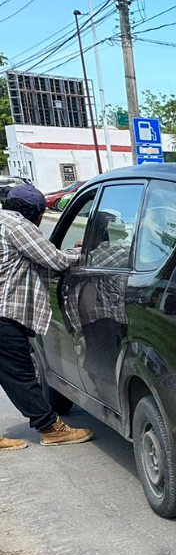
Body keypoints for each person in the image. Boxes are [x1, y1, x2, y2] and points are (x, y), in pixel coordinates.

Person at [0, 184, 93, 451]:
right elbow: (55, 260)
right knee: (20, 375)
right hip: (5, 314)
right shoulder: (18, 226)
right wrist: (81, 251)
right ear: (37, 214)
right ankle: (49, 427)